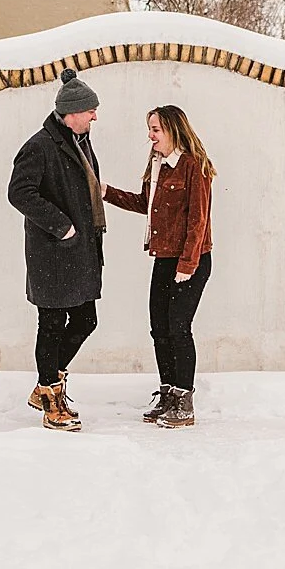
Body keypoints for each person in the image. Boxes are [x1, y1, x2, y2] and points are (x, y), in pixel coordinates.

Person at [6, 68, 107, 431]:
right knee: (51, 323)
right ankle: (50, 397)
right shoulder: (40, 145)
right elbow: (19, 192)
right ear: (72, 112)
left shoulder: (78, 140)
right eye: (90, 110)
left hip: (78, 252)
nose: (95, 115)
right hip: (53, 252)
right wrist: (61, 226)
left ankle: (47, 385)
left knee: (85, 320)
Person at [102, 105, 215, 428]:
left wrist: (188, 263)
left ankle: (184, 400)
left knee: (179, 328)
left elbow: (198, 220)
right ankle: (168, 394)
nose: (150, 135)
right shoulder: (158, 166)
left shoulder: (194, 166)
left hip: (190, 260)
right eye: (149, 129)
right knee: (160, 329)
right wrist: (106, 192)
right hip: (164, 258)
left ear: (173, 130)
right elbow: (144, 204)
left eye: (155, 129)